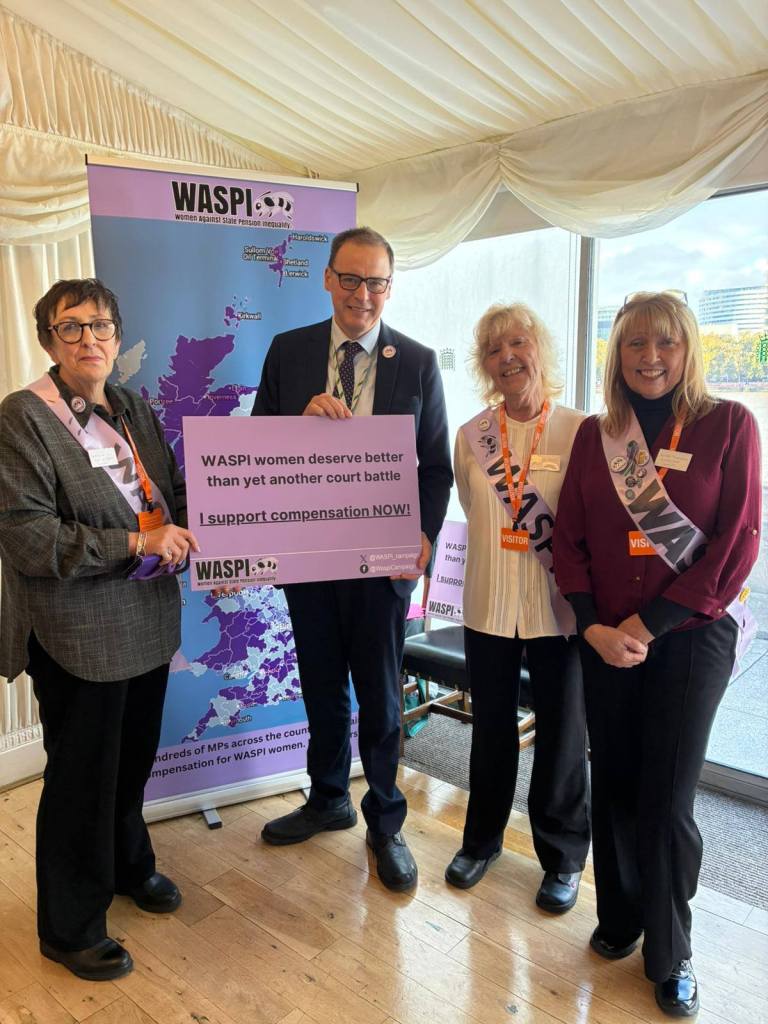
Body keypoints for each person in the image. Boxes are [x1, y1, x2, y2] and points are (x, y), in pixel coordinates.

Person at [553, 291, 761, 1017]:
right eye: (635, 344)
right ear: (617, 355)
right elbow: (569, 540)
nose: (650, 357)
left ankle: (672, 952)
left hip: (690, 638)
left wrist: (649, 622)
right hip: (606, 638)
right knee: (612, 779)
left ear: (688, 348)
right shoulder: (596, 435)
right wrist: (592, 626)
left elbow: (737, 543)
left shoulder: (730, 424)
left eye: (665, 342)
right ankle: (619, 916)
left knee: (667, 798)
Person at [0, 279, 200, 982]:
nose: (90, 338)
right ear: (49, 340)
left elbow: (170, 497)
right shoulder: (23, 417)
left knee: (131, 764)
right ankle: (70, 926)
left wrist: (221, 537)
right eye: (72, 327)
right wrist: (135, 545)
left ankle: (126, 865)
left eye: (102, 325)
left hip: (146, 619)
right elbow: (27, 537)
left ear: (117, 336)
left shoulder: (135, 406)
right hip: (77, 633)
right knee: (81, 781)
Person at [252, 226, 452, 891]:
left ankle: (386, 823)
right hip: (309, 556)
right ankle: (329, 798)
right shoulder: (288, 351)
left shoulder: (417, 361)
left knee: (381, 699)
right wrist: (295, 428)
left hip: (381, 563)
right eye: (351, 279)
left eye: (377, 282)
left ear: (390, 287)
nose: (362, 295)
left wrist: (423, 537)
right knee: (322, 688)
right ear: (327, 278)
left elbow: (435, 467)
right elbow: (254, 446)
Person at [445, 303, 590, 909]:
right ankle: (481, 841)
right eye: (493, 349)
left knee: (563, 734)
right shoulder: (470, 436)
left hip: (558, 611)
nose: (507, 357)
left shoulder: (581, 431)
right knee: (491, 731)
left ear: (540, 349)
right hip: (488, 605)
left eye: (518, 343)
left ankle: (563, 857)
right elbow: (474, 509)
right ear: (484, 365)